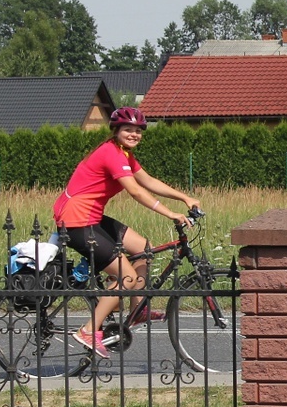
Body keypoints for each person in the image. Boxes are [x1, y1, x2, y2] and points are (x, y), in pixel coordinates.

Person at [53, 107, 201, 358]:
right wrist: (170, 213)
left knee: (144, 248)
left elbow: (148, 181)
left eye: (138, 131)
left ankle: (138, 308)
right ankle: (88, 330)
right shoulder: (110, 154)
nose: (134, 134)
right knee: (127, 278)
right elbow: (135, 191)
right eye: (128, 130)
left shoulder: (124, 154)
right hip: (76, 221)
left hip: (92, 218)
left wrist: (184, 197)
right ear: (116, 131)